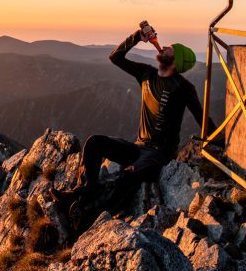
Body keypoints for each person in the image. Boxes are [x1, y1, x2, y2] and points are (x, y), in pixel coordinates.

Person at [53, 24, 216, 221]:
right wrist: (137, 37)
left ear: (176, 60)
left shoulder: (183, 87)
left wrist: (220, 142)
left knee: (129, 176)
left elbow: (202, 117)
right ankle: (82, 191)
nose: (163, 47)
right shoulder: (146, 74)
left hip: (159, 154)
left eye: (170, 48)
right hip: (138, 146)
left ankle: (90, 213)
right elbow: (115, 57)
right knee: (95, 142)